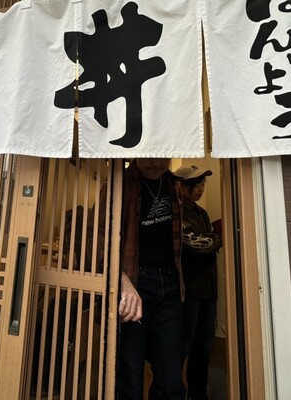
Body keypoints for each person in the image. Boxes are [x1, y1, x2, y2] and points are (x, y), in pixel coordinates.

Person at [117, 158, 186, 400]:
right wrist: (121, 277)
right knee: (130, 373)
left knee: (171, 374)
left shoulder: (174, 185)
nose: (156, 162)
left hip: (170, 282)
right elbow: (98, 238)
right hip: (135, 282)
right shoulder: (119, 184)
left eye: (162, 154)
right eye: (150, 154)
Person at [174, 165, 222, 400]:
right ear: (183, 186)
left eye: (203, 184)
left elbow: (208, 242)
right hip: (189, 290)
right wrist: (213, 240)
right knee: (184, 345)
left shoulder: (201, 213)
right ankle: (174, 390)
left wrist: (210, 240)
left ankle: (198, 393)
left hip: (208, 290)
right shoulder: (176, 211)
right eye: (196, 184)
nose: (201, 189)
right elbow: (194, 246)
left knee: (203, 347)